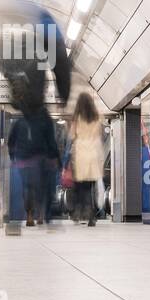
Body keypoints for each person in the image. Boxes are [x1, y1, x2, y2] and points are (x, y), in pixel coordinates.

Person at [7, 105, 59, 227]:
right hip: (39, 160)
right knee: (40, 187)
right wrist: (53, 157)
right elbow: (50, 141)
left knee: (27, 188)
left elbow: (11, 142)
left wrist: (12, 157)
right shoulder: (43, 122)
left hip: (23, 162)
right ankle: (40, 214)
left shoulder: (18, 122)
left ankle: (30, 215)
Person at [69, 92, 105, 226]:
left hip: (81, 153)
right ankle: (91, 215)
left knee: (82, 187)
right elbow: (98, 135)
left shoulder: (77, 118)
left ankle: (85, 211)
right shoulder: (96, 117)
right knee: (91, 186)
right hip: (94, 153)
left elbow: (72, 135)